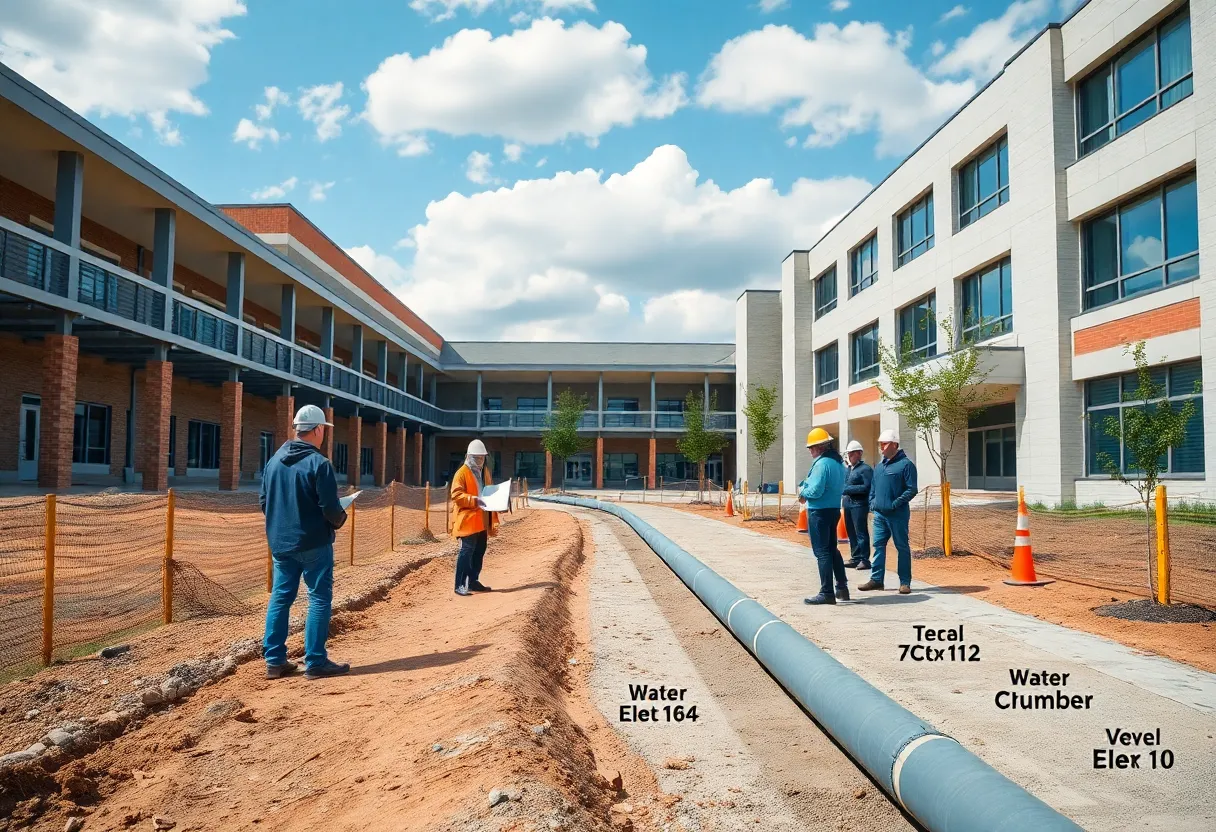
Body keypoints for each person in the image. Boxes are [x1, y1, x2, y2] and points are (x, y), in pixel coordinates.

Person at [260, 404, 350, 680]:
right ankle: (315, 661)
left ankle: (274, 661)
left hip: (281, 544)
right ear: (319, 430)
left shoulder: (273, 461)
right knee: (319, 598)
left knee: (281, 597)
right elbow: (331, 509)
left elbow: (264, 502)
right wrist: (340, 518)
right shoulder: (319, 464)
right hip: (313, 543)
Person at [859, 429, 918, 595]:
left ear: (894, 445)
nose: (881, 447)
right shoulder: (879, 467)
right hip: (879, 515)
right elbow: (873, 487)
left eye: (884, 444)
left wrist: (895, 504)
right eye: (880, 444)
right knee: (878, 546)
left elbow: (912, 489)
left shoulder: (906, 465)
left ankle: (905, 582)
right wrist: (872, 502)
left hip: (897, 515)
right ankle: (877, 580)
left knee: (902, 547)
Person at [798, 428, 848, 606]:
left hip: (818, 511)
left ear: (820, 447)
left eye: (811, 447)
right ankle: (842, 587)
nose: (810, 451)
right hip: (833, 509)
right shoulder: (838, 464)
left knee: (822, 552)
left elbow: (816, 490)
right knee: (832, 549)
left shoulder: (821, 464)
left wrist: (803, 492)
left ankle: (826, 592)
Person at [449, 439, 500, 596]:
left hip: (482, 520)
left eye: (481, 458)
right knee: (466, 551)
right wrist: (474, 500)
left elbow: (490, 491)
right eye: (476, 458)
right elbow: (456, 495)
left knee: (479, 551)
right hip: (468, 521)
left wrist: (499, 502)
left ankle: (472, 581)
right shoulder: (462, 473)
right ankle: (459, 585)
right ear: (468, 456)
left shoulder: (485, 473)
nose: (479, 461)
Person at [842, 440, 873, 571]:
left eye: (852, 453)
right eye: (848, 454)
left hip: (859, 505)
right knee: (851, 532)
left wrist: (848, 489)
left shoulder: (865, 469)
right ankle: (855, 557)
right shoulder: (849, 469)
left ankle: (864, 559)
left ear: (859, 453)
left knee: (861, 532)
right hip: (848, 504)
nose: (849, 456)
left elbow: (867, 487)